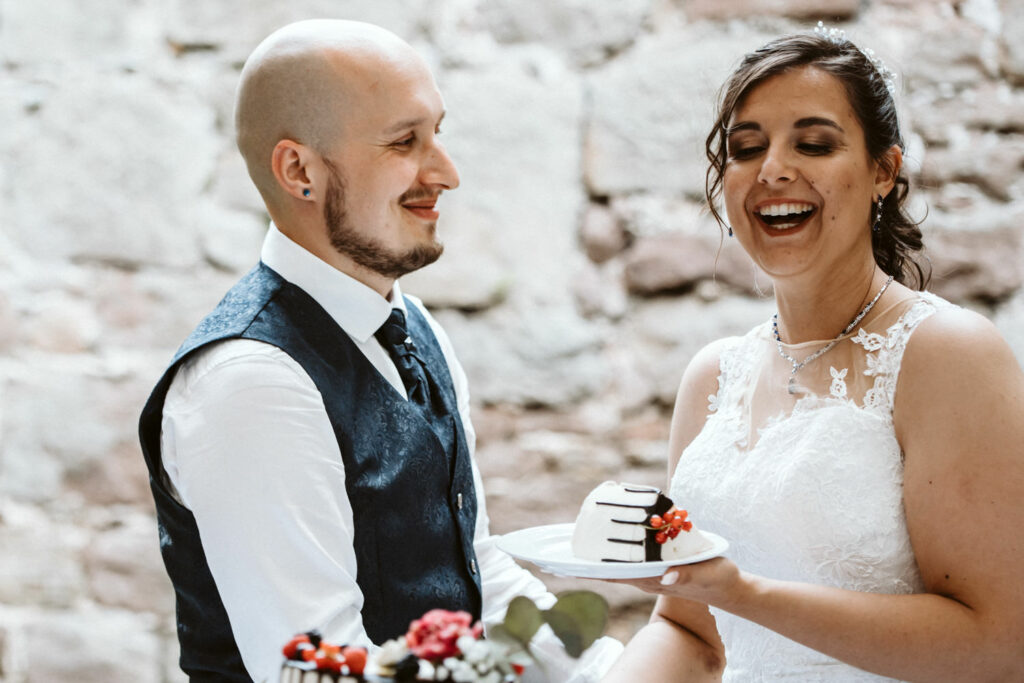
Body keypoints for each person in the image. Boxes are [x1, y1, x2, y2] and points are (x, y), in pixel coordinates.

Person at [137, 19, 620, 683]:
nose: (446, 173)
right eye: (404, 142)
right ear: (299, 171)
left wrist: (614, 670)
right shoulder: (251, 382)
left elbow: (476, 574)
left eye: (437, 134)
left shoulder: (415, 326)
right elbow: (319, 666)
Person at [600, 26, 1024, 682]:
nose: (772, 169)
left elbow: (1001, 645)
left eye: (814, 144)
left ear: (884, 170)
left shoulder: (946, 354)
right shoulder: (713, 377)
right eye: (746, 149)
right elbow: (689, 630)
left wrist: (746, 594)